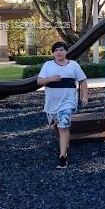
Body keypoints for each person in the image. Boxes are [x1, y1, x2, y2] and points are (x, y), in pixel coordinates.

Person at [37, 41, 88, 169]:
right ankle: (64, 144)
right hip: (51, 104)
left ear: (66, 51)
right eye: (56, 50)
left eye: (61, 50)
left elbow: (83, 81)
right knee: (58, 126)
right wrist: (51, 79)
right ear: (53, 53)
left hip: (68, 103)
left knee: (63, 127)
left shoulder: (74, 65)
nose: (59, 52)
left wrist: (84, 96)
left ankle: (62, 156)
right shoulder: (48, 65)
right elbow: (39, 81)